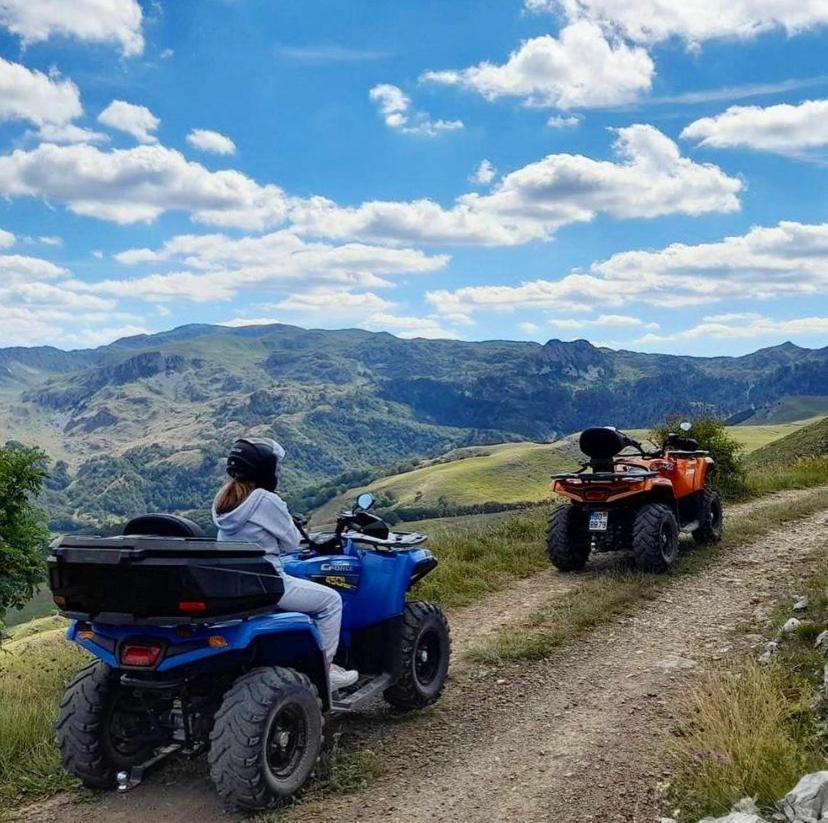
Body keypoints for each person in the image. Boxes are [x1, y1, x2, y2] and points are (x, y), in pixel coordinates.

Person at [212, 436, 358, 691]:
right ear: (266, 470)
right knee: (331, 601)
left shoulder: (224, 500)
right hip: (268, 584)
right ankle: (326, 670)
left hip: (234, 583)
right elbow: (291, 544)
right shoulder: (266, 501)